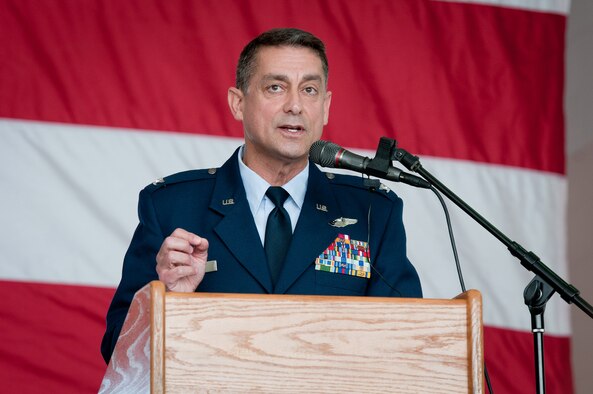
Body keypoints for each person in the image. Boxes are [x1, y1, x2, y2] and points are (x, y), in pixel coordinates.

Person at [101, 28, 422, 364]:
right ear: (238, 103)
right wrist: (167, 301)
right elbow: (117, 353)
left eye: (309, 90)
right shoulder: (171, 207)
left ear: (325, 108)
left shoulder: (373, 213)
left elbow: (408, 346)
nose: (295, 105)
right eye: (275, 87)